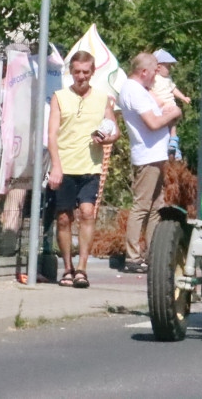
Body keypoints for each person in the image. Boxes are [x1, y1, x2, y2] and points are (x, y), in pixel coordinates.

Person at [46, 51, 119, 288]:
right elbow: (52, 134)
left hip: (91, 166)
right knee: (64, 218)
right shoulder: (59, 97)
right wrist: (56, 166)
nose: (81, 77)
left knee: (87, 212)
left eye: (85, 72)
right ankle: (67, 267)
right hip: (65, 166)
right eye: (76, 72)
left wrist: (106, 139)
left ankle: (82, 268)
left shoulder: (102, 98)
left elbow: (114, 130)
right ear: (71, 72)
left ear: (92, 72)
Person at [118, 52, 182, 273]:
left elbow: (155, 114)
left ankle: (153, 253)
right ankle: (133, 256)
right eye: (155, 69)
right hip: (147, 156)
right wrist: (175, 112)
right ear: (144, 72)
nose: (157, 73)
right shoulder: (133, 91)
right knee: (142, 206)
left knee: (156, 206)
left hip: (155, 155)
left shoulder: (140, 91)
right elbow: (153, 123)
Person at [151, 49, 191, 160]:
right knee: (166, 126)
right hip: (161, 107)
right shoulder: (154, 79)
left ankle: (174, 143)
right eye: (168, 66)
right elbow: (149, 92)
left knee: (173, 122)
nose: (170, 69)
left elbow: (173, 89)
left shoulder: (168, 79)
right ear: (158, 67)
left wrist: (183, 97)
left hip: (170, 105)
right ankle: (171, 143)